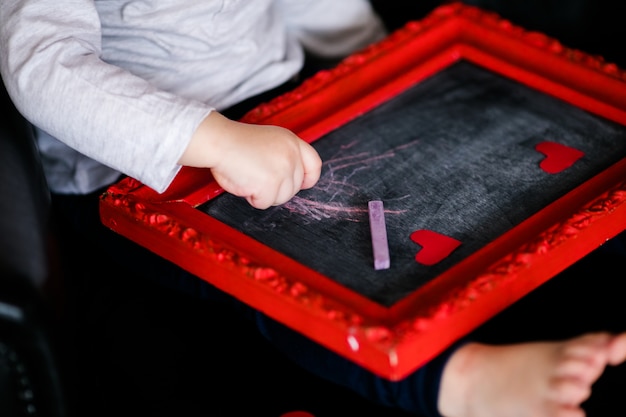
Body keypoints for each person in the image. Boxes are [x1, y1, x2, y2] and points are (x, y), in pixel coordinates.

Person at [1, 1, 625, 416]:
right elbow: (41, 65)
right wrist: (214, 141)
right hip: (143, 163)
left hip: (289, 103)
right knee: (303, 266)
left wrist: (386, 66)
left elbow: (315, 6)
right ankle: (455, 383)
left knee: (440, 196)